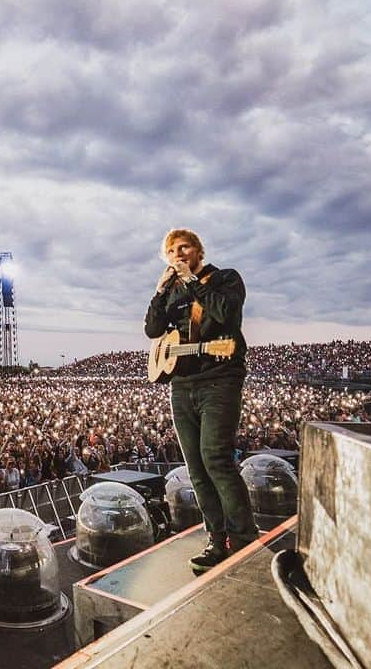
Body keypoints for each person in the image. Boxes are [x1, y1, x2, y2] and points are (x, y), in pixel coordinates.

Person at [144, 228, 257, 572]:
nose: (177, 254)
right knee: (196, 468)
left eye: (184, 247)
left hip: (219, 378)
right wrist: (160, 290)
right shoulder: (171, 291)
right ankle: (216, 537)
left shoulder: (225, 278)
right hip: (181, 383)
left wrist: (193, 281)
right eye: (171, 251)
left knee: (216, 458)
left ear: (198, 251)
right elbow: (152, 330)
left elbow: (224, 314)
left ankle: (243, 540)